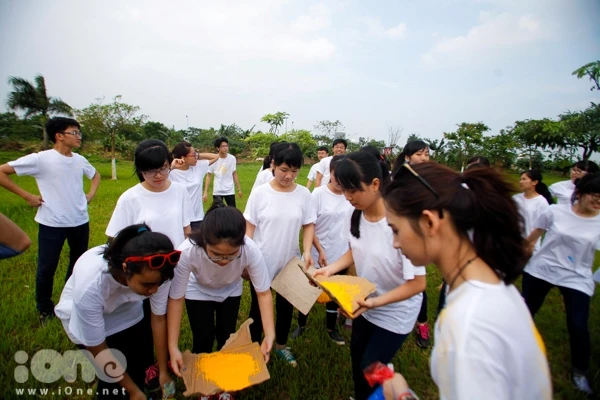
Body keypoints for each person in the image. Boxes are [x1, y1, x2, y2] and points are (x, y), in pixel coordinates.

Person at [380, 162, 552, 400]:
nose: (395, 243)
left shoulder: (467, 324)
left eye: (395, 230)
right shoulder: (494, 286)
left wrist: (401, 395)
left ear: (429, 222)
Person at [313, 152, 426, 400]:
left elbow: (418, 283)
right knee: (358, 357)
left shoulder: (401, 222)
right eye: (344, 190)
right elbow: (354, 250)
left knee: (371, 364)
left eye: (353, 190)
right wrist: (330, 269)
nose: (348, 197)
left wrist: (375, 302)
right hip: (367, 302)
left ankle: (397, 391)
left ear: (375, 184)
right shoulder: (355, 213)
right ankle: (364, 395)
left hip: (396, 309)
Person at [54, 224, 176, 400]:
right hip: (87, 321)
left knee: (138, 366)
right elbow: (98, 348)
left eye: (159, 284)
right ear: (126, 268)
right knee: (113, 384)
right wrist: (133, 392)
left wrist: (163, 371)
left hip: (129, 314)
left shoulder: (158, 272)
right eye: (148, 285)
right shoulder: (91, 287)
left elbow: (158, 319)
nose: (154, 291)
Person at [167, 202, 275, 400]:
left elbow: (264, 293)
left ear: (242, 243)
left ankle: (226, 385)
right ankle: (205, 387)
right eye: (216, 255)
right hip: (198, 290)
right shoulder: (187, 252)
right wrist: (173, 346)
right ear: (204, 242)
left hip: (230, 290)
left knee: (227, 337)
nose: (224, 261)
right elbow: (176, 299)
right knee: (203, 338)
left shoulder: (251, 250)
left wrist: (269, 334)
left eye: (231, 255)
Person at [0, 117, 100, 323]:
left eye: (79, 132)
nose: (79, 136)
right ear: (59, 136)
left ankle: (69, 301)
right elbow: (2, 171)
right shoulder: (41, 159)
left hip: (80, 220)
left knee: (78, 264)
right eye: (74, 132)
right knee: (47, 267)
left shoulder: (79, 160)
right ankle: (45, 308)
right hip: (52, 223)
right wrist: (26, 195)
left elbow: (96, 175)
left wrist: (90, 194)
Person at [522, 173, 600, 395]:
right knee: (524, 313)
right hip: (542, 269)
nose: (599, 201)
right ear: (581, 193)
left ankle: (580, 371)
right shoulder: (555, 211)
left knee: (578, 324)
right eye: (595, 195)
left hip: (576, 277)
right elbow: (532, 238)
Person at [244, 142, 316, 367]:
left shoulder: (304, 194)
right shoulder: (260, 193)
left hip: (290, 259)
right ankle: (255, 348)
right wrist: (247, 260)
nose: (289, 176)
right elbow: (249, 228)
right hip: (261, 259)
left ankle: (281, 345)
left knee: (286, 307)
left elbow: (308, 224)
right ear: (273, 164)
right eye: (285, 170)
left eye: (295, 171)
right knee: (257, 308)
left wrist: (306, 251)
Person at [292, 155, 350, 345]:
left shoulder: (351, 195)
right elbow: (309, 225)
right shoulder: (318, 194)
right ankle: (301, 324)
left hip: (340, 253)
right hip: (316, 253)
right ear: (329, 173)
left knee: (334, 293)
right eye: (336, 177)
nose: (340, 182)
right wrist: (319, 250)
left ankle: (331, 328)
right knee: (306, 292)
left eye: (345, 178)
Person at [106, 139, 192, 248]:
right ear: (140, 170)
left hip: (177, 260)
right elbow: (116, 239)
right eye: (151, 170)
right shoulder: (129, 198)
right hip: (146, 263)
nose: (158, 175)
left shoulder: (180, 191)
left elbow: (186, 229)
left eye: (163, 168)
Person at [392, 140, 432, 349]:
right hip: (400, 236)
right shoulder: (398, 179)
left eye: (426, 154)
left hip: (421, 237)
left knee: (418, 281)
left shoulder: (431, 179)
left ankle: (422, 325)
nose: (424, 158)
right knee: (401, 277)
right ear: (407, 157)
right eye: (419, 154)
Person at [169, 141, 218, 231]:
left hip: (198, 218)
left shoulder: (198, 167)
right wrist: (172, 167)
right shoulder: (171, 174)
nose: (196, 157)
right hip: (180, 218)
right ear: (183, 158)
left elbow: (216, 156)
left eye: (196, 154)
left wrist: (197, 155)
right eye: (193, 155)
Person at [513, 170, 552, 253]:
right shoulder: (516, 198)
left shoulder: (541, 202)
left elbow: (541, 227)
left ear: (534, 182)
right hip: (514, 242)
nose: (521, 182)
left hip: (530, 246)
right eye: (520, 179)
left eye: (524, 179)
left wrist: (531, 244)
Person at [203, 137, 243, 207]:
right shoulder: (213, 159)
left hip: (229, 190)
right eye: (223, 146)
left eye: (226, 146)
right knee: (218, 211)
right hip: (217, 190)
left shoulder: (232, 158)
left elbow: (234, 173)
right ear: (218, 148)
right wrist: (205, 192)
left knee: (232, 210)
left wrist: (239, 189)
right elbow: (209, 176)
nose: (225, 148)